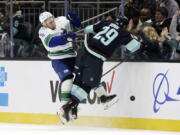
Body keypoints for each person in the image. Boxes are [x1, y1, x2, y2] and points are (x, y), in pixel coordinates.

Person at [58, 16, 141, 124]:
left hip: (82, 51)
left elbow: (87, 29)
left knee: (79, 80)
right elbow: (135, 47)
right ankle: (68, 107)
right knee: (89, 84)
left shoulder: (108, 22)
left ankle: (74, 109)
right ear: (125, 25)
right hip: (94, 58)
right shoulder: (124, 33)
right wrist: (137, 40)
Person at [38, 11, 81, 113]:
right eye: (49, 23)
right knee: (68, 79)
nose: (52, 24)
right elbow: (51, 42)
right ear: (44, 24)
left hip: (72, 56)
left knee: (85, 75)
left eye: (52, 21)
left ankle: (103, 97)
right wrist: (66, 37)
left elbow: (78, 25)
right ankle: (64, 108)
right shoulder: (42, 31)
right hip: (58, 59)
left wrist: (74, 18)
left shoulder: (61, 20)